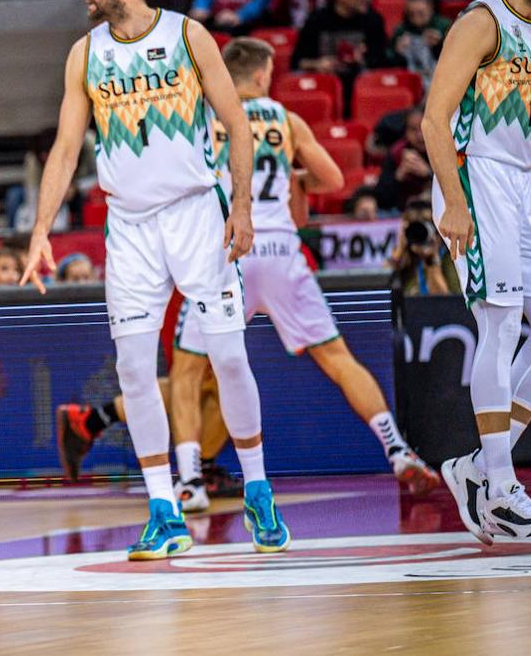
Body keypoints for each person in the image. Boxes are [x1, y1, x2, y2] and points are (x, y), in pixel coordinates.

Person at [22, 0, 290, 559]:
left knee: (227, 356)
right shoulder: (83, 54)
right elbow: (66, 149)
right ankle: (163, 508)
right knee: (135, 370)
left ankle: (257, 489)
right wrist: (41, 230)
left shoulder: (189, 36)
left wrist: (242, 204)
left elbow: (237, 123)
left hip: (198, 214)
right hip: (131, 228)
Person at [173, 38, 439, 510]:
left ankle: (191, 482)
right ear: (259, 75)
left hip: (225, 249)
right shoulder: (286, 120)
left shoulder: (205, 118)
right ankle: (397, 450)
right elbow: (334, 181)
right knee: (337, 357)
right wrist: (295, 178)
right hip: (277, 246)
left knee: (190, 369)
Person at [425, 0, 531, 545]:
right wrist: (454, 204)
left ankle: (479, 467)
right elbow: (433, 119)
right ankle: (503, 493)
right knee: (502, 323)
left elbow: (530, 124)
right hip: (473, 179)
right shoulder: (480, 22)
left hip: (521, 186)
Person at [292, 0, 390, 114]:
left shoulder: (373, 21)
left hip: (360, 90)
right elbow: (296, 62)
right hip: (323, 89)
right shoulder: (317, 20)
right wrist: (317, 64)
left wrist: (362, 60)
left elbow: (383, 65)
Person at [390, 200, 461, 296]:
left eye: (426, 224)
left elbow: (443, 301)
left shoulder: (452, 257)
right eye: (414, 226)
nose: (419, 232)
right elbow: (382, 290)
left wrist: (431, 260)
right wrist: (400, 249)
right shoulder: (406, 257)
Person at [391, 0, 453, 87]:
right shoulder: (401, 30)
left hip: (442, 80)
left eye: (421, 14)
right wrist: (398, 52)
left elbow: (456, 59)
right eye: (411, 14)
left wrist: (439, 45)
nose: (416, 20)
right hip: (410, 82)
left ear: (431, 9)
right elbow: (390, 64)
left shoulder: (445, 26)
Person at [375, 104, 431, 210]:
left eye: (423, 128)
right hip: (400, 213)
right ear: (405, 132)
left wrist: (428, 174)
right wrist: (398, 176)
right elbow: (382, 200)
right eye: (413, 130)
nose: (420, 135)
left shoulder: (441, 150)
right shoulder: (396, 152)